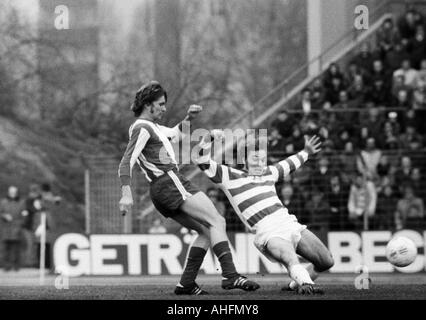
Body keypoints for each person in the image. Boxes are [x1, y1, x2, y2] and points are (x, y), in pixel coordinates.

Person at [118, 81, 259, 295]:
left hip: (162, 189)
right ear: (148, 105)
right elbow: (126, 161)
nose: (164, 108)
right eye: (161, 104)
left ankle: (186, 284)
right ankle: (231, 276)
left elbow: (175, 134)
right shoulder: (142, 127)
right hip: (170, 182)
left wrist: (189, 119)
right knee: (217, 220)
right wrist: (126, 193)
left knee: (205, 230)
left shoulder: (151, 127)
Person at [195, 131, 334, 295]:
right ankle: (305, 283)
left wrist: (307, 152)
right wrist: (209, 138)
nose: (260, 163)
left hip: (289, 223)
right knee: (290, 257)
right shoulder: (230, 176)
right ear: (244, 160)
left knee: (326, 262)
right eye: (255, 159)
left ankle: (293, 285)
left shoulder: (269, 172)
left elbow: (289, 163)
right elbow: (200, 159)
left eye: (263, 159)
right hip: (268, 232)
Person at [0, 186, 26, 271]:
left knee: (16, 248)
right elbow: (1, 212)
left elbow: (24, 215)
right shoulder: (3, 202)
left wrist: (20, 224)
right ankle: (6, 266)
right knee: (6, 248)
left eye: (14, 192)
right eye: (11, 192)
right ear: (8, 192)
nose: (13, 194)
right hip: (6, 228)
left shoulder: (21, 202)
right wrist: (4, 216)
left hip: (17, 228)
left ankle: (16, 266)